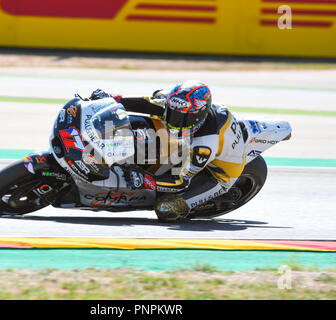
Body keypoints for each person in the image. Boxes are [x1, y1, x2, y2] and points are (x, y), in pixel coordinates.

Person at [89, 80, 246, 221]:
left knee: (166, 208)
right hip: (193, 144)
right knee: (157, 97)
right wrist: (111, 98)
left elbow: (180, 182)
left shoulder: (204, 145)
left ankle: (191, 204)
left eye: (181, 118)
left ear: (198, 117)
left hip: (218, 175)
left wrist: (145, 179)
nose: (174, 121)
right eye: (172, 113)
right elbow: (148, 103)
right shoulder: (180, 104)